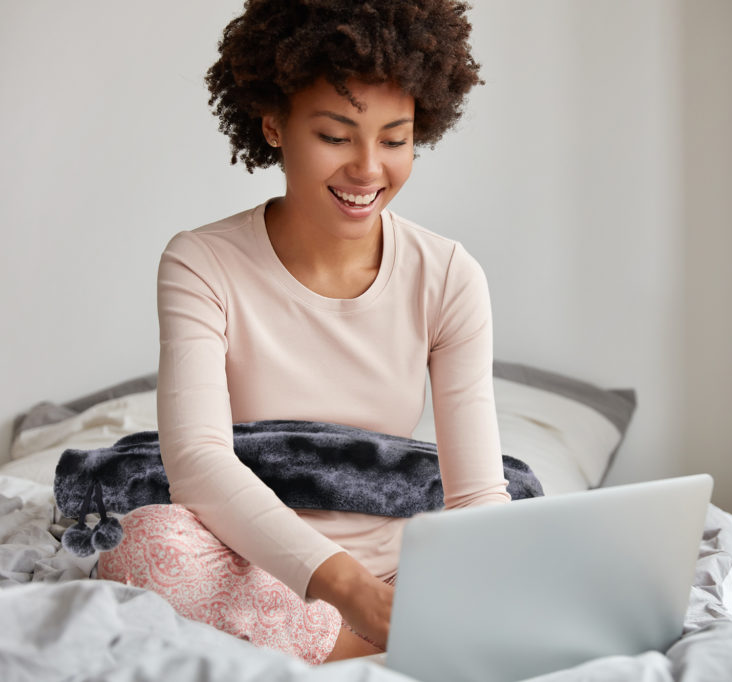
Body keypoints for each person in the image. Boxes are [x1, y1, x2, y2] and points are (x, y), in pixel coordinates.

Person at [97, 0, 510, 664]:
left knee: (524, 543)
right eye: (336, 135)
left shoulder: (450, 276)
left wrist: (475, 577)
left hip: (400, 571)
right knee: (148, 547)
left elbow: (477, 493)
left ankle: (356, 636)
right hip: (247, 559)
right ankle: (380, 642)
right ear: (273, 126)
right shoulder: (200, 263)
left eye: (395, 138)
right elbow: (198, 466)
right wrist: (348, 593)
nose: (369, 169)